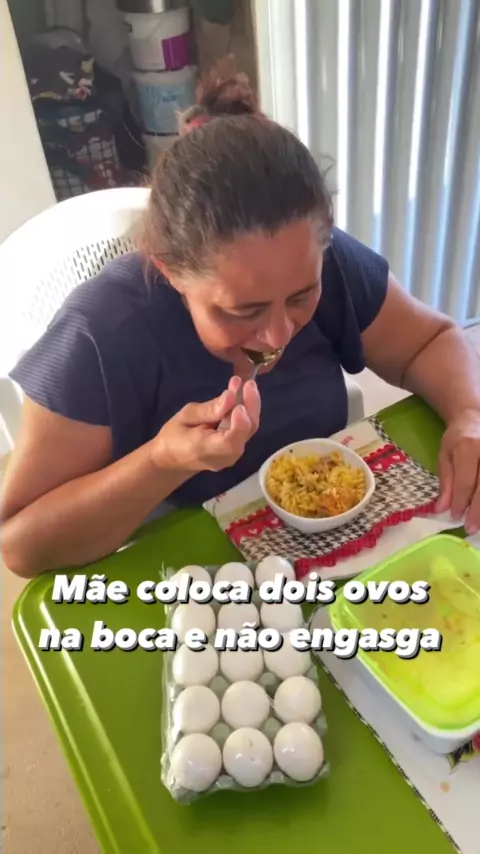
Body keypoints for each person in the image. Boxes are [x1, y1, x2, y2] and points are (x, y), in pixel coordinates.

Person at [3, 60, 480, 579]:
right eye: (243, 311)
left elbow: (429, 340)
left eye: (301, 296)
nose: (278, 334)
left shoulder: (327, 262)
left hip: (329, 550)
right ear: (171, 272)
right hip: (183, 568)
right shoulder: (101, 334)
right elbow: (20, 544)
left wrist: (469, 415)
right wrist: (162, 461)